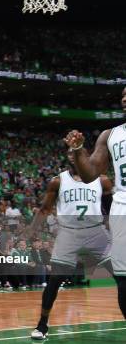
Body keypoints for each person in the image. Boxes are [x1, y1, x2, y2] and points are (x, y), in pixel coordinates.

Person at [63, 87, 126, 321]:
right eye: (122, 95)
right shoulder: (109, 135)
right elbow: (89, 174)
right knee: (123, 280)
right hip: (122, 209)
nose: (124, 98)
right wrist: (79, 150)